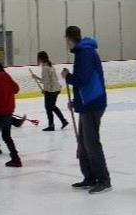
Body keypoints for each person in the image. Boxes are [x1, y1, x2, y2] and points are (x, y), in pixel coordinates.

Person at [62, 25, 111, 194]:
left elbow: (82, 79)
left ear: (69, 39)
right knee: (83, 142)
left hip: (93, 103)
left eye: (66, 40)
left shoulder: (85, 53)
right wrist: (76, 102)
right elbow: (85, 82)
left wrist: (67, 77)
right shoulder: (83, 52)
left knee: (91, 143)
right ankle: (89, 177)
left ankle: (103, 180)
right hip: (87, 102)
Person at [31, 51, 69, 131]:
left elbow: (46, 81)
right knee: (52, 106)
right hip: (56, 89)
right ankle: (63, 121)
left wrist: (37, 78)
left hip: (51, 90)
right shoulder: (50, 66)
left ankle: (51, 125)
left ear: (40, 58)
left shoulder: (45, 68)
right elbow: (52, 80)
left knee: (49, 107)